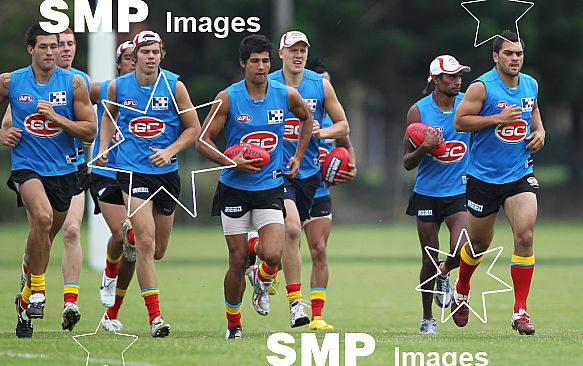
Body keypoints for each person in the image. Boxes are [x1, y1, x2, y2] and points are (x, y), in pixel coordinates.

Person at [196, 34, 314, 340]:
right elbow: (202, 140)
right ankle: (233, 324)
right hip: (234, 188)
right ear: (243, 63)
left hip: (269, 186)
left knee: (273, 254)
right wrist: (229, 161)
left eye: (265, 60)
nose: (261, 67)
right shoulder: (228, 98)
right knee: (236, 262)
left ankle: (261, 278)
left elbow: (307, 118)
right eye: (255, 61)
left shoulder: (285, 94)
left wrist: (298, 156)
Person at [96, 30, 201, 338]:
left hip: (166, 173)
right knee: (144, 240)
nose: (150, 56)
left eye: (156, 51)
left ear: (161, 54)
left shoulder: (175, 85)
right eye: (145, 52)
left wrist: (170, 151)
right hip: (132, 171)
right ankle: (156, 317)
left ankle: (127, 260)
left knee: (157, 250)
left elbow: (193, 128)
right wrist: (104, 145)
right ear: (136, 55)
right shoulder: (119, 86)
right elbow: (107, 114)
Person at [0, 24, 96, 338]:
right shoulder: (12, 81)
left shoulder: (75, 83)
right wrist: (1, 133)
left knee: (44, 238)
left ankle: (24, 302)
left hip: (65, 172)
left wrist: (58, 118)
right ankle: (39, 293)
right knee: (40, 219)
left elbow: (89, 130)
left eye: (54, 46)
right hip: (27, 168)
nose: (51, 52)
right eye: (43, 47)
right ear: (31, 49)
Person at [453, 30, 545, 335]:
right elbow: (460, 121)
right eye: (508, 53)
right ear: (496, 56)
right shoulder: (482, 87)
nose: (515, 58)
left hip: (519, 174)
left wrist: (540, 133)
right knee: (479, 244)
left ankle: (520, 311)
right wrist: (496, 119)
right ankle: (462, 287)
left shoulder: (530, 84)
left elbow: (534, 116)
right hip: (483, 179)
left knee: (525, 235)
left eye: (519, 53)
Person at [268, 31, 349, 328]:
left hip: (310, 175)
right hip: (276, 172)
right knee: (291, 230)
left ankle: (264, 270)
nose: (298, 54)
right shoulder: (269, 83)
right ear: (281, 53)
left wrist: (321, 133)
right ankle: (295, 305)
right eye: (293, 50)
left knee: (298, 246)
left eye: (303, 49)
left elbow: (343, 125)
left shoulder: (320, 86)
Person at [403, 55, 471, 334]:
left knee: (463, 247)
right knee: (428, 257)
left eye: (458, 76)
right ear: (435, 79)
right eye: (451, 76)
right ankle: (427, 318)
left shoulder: (468, 103)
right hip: (428, 193)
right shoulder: (418, 111)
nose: (457, 81)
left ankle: (446, 273)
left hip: (461, 191)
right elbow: (407, 162)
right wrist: (425, 147)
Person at [89, 40, 136, 332]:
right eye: (128, 58)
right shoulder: (105, 88)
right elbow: (73, 95)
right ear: (119, 63)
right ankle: (109, 273)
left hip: (137, 174)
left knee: (136, 246)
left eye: (138, 57)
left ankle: (112, 313)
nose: (134, 62)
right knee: (122, 232)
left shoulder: (158, 91)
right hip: (106, 171)